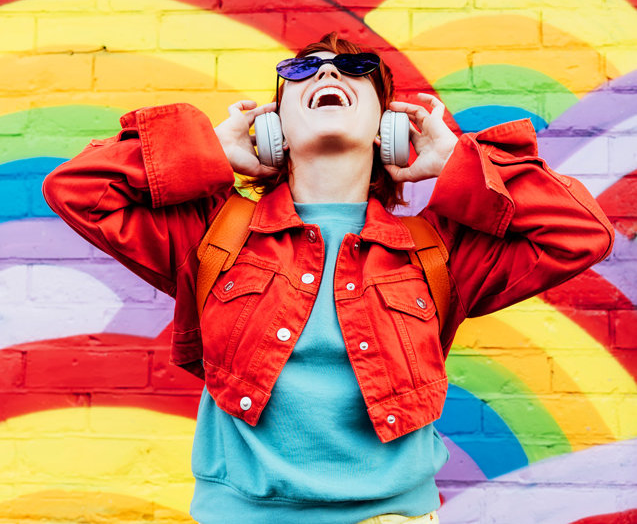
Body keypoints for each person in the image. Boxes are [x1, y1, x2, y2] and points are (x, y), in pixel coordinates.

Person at [43, 33, 614, 524]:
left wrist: (456, 161)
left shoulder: (437, 251)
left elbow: (582, 232)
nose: (328, 72)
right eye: (301, 71)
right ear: (274, 129)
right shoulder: (211, 233)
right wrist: (209, 150)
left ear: (387, 129)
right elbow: (77, 189)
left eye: (354, 69)